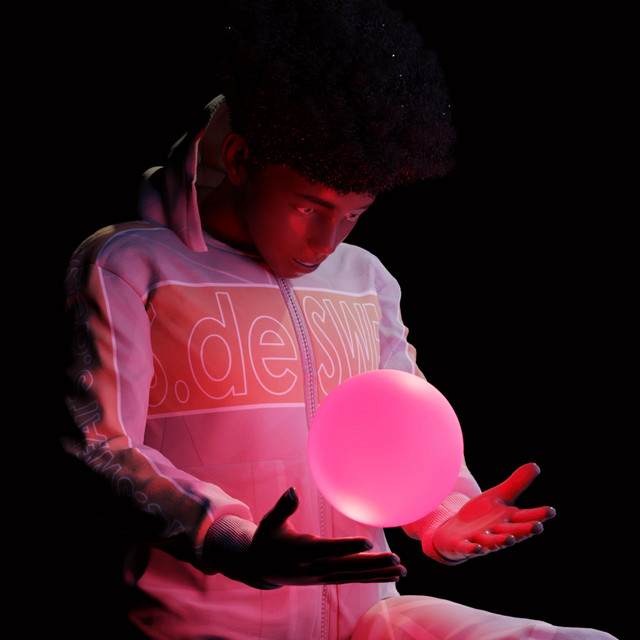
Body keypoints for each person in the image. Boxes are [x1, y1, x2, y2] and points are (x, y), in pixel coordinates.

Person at [60, 1, 618, 638]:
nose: (328, 242)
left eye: (354, 214)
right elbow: (99, 447)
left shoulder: (365, 279)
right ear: (239, 160)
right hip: (206, 627)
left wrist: (442, 512)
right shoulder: (129, 268)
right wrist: (232, 538)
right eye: (309, 207)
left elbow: (402, 427)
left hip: (367, 616)